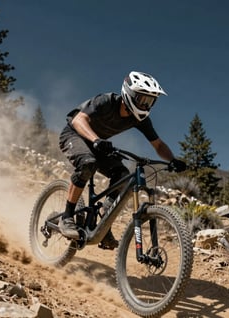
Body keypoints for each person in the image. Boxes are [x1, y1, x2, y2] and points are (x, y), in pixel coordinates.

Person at [58, 71, 186, 250]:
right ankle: (67, 216)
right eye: (143, 99)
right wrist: (96, 140)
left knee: (122, 174)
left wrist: (172, 159)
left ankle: (104, 224)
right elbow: (79, 120)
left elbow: (158, 145)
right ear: (130, 94)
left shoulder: (139, 119)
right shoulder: (106, 101)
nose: (146, 105)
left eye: (150, 101)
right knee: (88, 163)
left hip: (98, 144)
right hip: (75, 134)